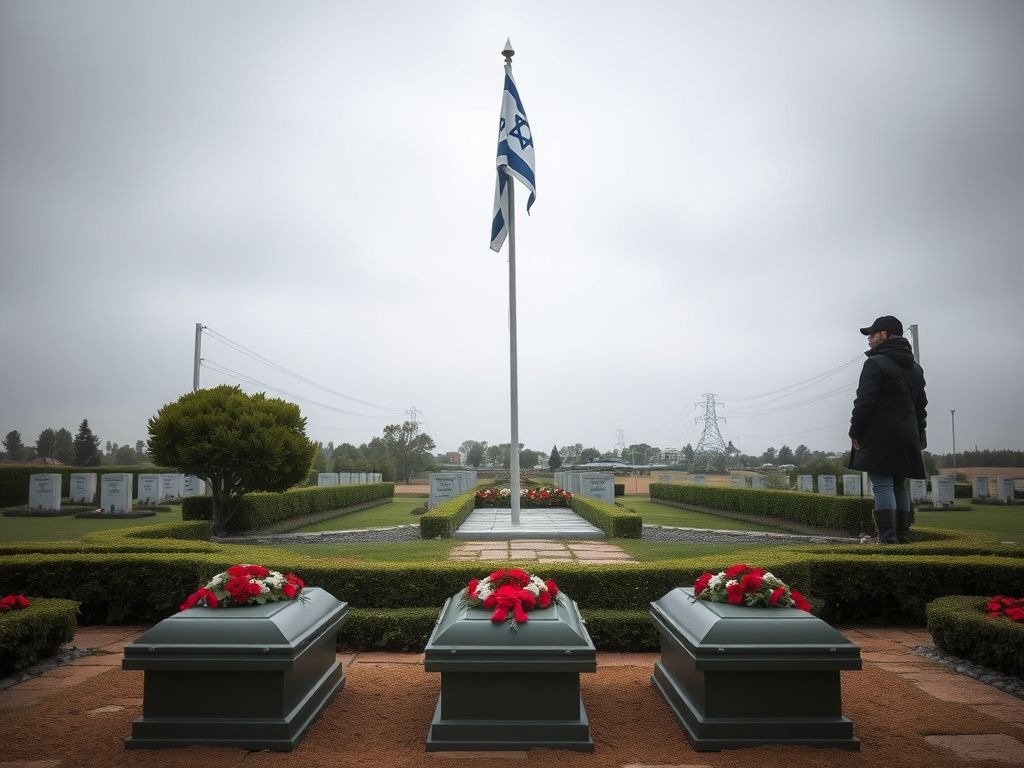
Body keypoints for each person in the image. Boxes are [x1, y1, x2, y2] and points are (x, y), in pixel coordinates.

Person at [848, 315, 927, 544]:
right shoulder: (915, 369)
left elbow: (864, 401)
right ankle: (901, 535)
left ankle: (887, 537)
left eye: (872, 334)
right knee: (899, 486)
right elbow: (920, 406)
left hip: (880, 435)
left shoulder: (875, 363)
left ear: (884, 334)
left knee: (882, 484)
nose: (869, 340)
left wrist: (855, 431)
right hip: (907, 435)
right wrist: (920, 433)